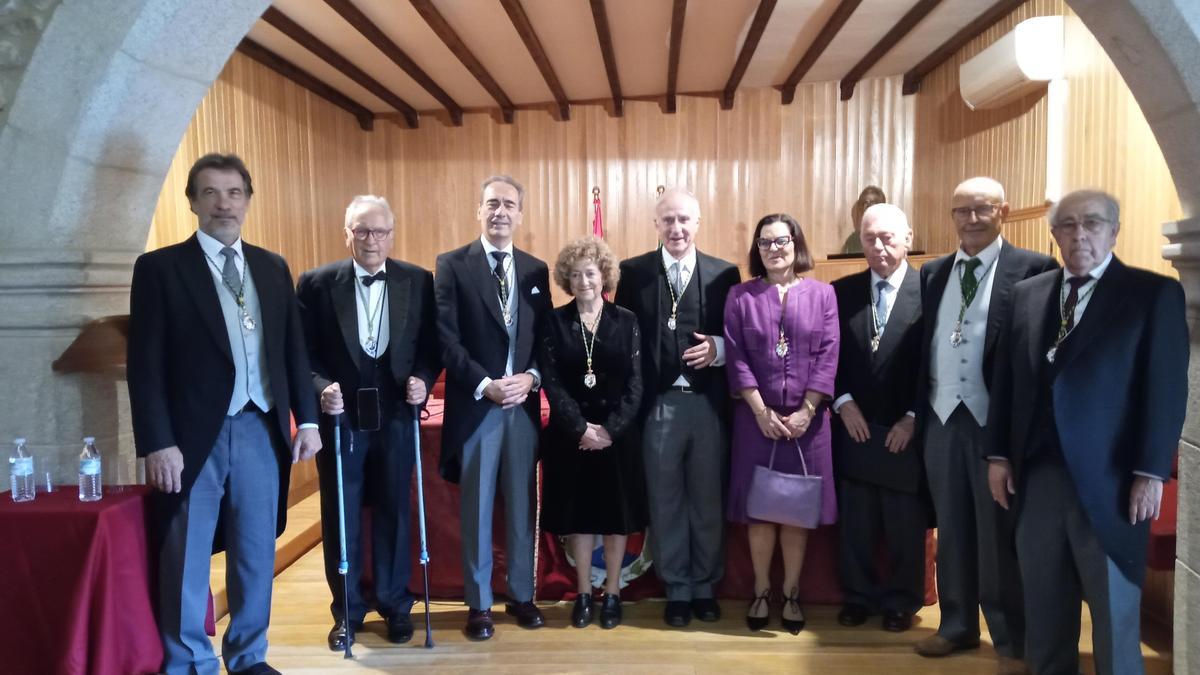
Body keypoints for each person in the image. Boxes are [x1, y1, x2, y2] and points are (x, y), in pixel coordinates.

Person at [127, 153, 321, 675]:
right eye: (210, 193)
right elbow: (143, 364)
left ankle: (249, 655)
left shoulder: (272, 266)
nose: (223, 204)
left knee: (256, 549)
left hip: (262, 425)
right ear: (192, 202)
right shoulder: (161, 269)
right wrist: (156, 441)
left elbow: (292, 351)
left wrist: (308, 420)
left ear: (248, 201)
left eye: (233, 193)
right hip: (191, 437)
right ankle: (190, 660)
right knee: (187, 555)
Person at [986, 190, 1187, 675]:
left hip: (1114, 483)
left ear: (1113, 231)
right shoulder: (1028, 295)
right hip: (1038, 481)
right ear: (1053, 234)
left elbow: (1165, 391)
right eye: (1069, 225)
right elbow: (1005, 383)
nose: (1080, 235)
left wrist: (1150, 471)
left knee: (1114, 617)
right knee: (1046, 610)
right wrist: (997, 455)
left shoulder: (1150, 294)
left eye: (1092, 224)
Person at [914, 177, 1057, 674]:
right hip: (942, 417)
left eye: (982, 209)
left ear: (1004, 211)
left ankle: (1010, 635)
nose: (971, 219)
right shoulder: (932, 272)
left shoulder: (1034, 269)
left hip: (995, 424)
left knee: (998, 534)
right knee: (950, 528)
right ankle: (955, 624)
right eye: (962, 211)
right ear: (951, 216)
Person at [296, 195, 440, 651]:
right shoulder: (316, 283)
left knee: (396, 509)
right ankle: (348, 611)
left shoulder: (417, 280)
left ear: (392, 235)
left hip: (397, 414)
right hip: (342, 416)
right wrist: (320, 388)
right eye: (362, 231)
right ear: (348, 234)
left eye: (379, 231)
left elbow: (431, 346)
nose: (371, 240)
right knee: (341, 515)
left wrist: (421, 378)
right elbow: (302, 352)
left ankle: (396, 604)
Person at [614, 187, 740, 627]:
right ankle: (677, 588)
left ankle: (705, 585)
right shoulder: (633, 273)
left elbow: (742, 337)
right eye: (668, 220)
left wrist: (720, 350)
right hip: (659, 406)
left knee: (706, 498)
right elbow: (622, 338)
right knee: (665, 500)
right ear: (656, 225)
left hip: (707, 404)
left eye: (684, 219)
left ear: (698, 223)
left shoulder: (725, 274)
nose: (676, 228)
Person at [434, 175, 552, 641]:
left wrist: (533, 377)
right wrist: (485, 385)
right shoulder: (452, 265)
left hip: (523, 407)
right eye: (492, 204)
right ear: (478, 211)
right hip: (479, 406)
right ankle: (479, 603)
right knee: (478, 510)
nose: (500, 211)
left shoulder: (535, 269)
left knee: (522, 508)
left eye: (509, 204)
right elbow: (446, 338)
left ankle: (523, 595)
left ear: (520, 214)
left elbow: (546, 339)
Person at [724, 213, 839, 634]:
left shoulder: (823, 294)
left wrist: (808, 410)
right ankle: (760, 590)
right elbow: (735, 358)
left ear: (796, 244)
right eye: (765, 242)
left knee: (795, 509)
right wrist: (759, 411)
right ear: (757, 250)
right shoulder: (740, 296)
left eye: (782, 240)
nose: (774, 249)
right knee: (761, 513)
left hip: (808, 424)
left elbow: (828, 355)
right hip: (756, 421)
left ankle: (790, 592)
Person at [538, 237, 646, 630]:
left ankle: (613, 592)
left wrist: (610, 431)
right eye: (576, 274)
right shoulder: (553, 321)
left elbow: (637, 384)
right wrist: (582, 428)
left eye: (591, 272)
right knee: (580, 519)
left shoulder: (627, 321)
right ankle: (584, 593)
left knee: (615, 519)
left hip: (618, 437)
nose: (583, 280)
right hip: (572, 438)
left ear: (604, 276)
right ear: (566, 279)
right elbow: (551, 381)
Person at [830, 204, 926, 632]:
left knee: (904, 521)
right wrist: (842, 401)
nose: (879, 246)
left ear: (908, 237)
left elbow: (938, 364)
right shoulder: (840, 291)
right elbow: (826, 358)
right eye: (870, 238)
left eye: (888, 237)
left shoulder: (931, 291)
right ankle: (858, 596)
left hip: (904, 427)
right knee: (857, 521)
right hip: (856, 423)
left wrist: (913, 417)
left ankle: (901, 600)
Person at [841, 186, 887, 255]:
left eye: (870, 203)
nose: (865, 207)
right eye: (863, 203)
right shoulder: (853, 239)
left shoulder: (890, 236)